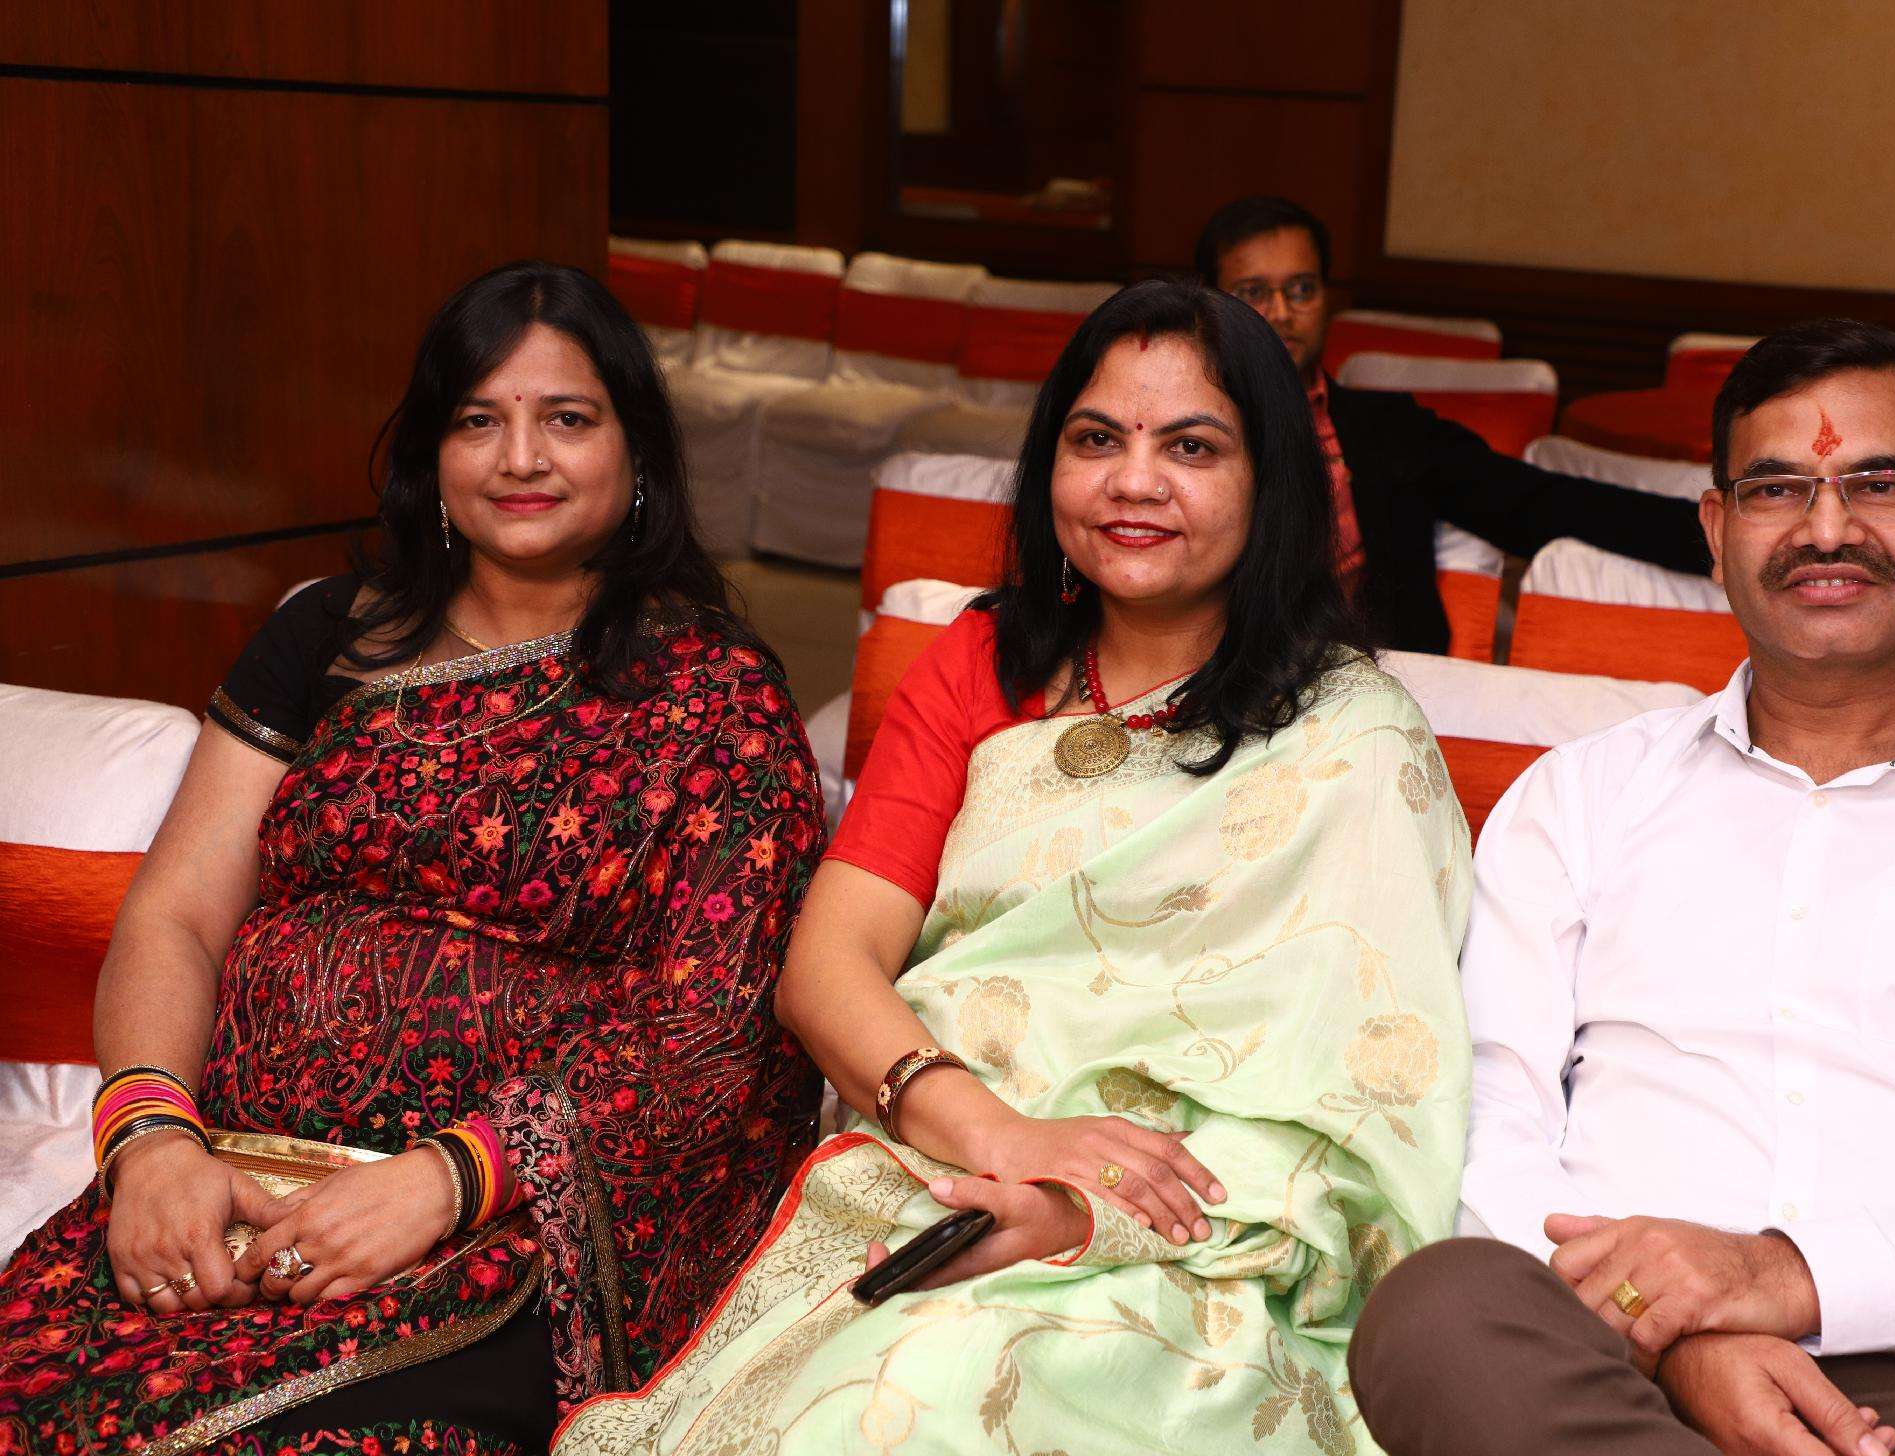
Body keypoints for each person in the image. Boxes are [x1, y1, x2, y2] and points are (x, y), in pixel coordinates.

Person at [553, 279, 1472, 1455]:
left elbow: (1353, 1100)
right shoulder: (982, 664)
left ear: (1271, 483)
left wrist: (1077, 1213)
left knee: (945, 1396)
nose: (1134, 481)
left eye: (1190, 447)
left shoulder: (1355, 737)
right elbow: (827, 967)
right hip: (942, 1172)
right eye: (1097, 440)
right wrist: (997, 1134)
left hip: (1199, 1245)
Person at [0, 262, 828, 1456]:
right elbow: (175, 914)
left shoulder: (717, 700)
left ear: (637, 449)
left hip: (508, 1228)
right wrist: (152, 1141)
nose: (521, 458)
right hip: (226, 1184)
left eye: (567, 418)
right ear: (432, 454)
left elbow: (711, 1022)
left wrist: (450, 1177)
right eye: (478, 420)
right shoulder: (328, 636)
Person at [1347, 319, 1895, 1456]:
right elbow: (1489, 1128)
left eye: (1880, 484)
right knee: (1436, 1312)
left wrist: (1790, 1276)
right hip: (1604, 1369)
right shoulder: (1581, 798)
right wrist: (1677, 1342)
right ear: (1716, 529)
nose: (1827, 529)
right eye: (1777, 489)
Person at [1196, 195, 1713, 654]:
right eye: (1253, 292)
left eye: (1302, 289)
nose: (1281, 312)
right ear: (1211, 306)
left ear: (1327, 298)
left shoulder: (1387, 430)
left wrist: (1719, 532)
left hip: (1372, 687)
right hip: (1206, 675)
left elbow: (1540, 504)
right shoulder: (1180, 434)